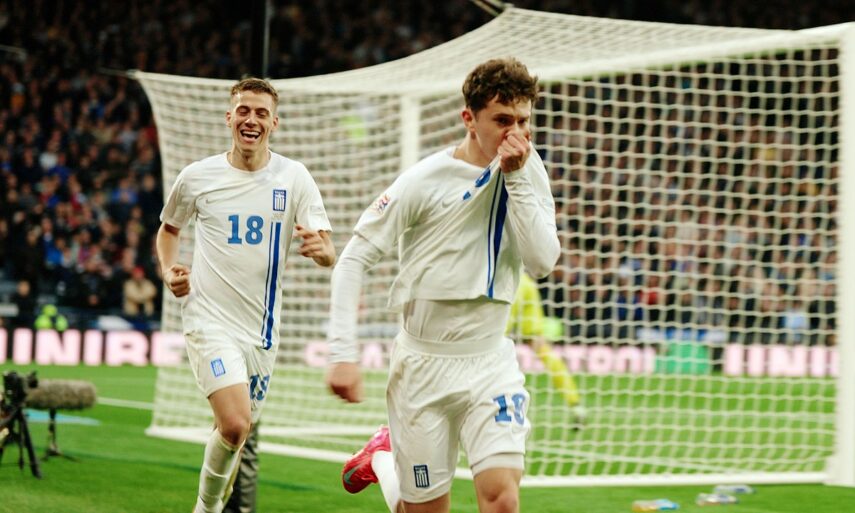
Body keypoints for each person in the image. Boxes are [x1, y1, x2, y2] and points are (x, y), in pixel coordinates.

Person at [325, 58, 559, 513]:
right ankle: (383, 460)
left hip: (490, 361)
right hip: (423, 367)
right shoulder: (424, 180)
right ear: (469, 118)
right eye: (503, 121)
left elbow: (543, 262)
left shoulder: (529, 172)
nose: (516, 134)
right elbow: (352, 260)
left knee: (503, 501)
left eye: (523, 121)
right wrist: (341, 353)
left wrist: (516, 177)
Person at [156, 77, 336, 513]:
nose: (250, 119)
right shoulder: (197, 176)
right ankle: (206, 509)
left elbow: (329, 250)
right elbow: (169, 229)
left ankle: (212, 505)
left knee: (234, 432)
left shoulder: (294, 177)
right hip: (208, 319)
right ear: (229, 117)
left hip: (261, 332)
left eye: (260, 113)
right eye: (243, 111)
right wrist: (168, 270)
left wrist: (322, 251)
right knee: (236, 424)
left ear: (274, 123)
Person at [506, 272, 585, 426]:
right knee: (542, 349)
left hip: (501, 283)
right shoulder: (527, 283)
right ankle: (575, 403)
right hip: (523, 281)